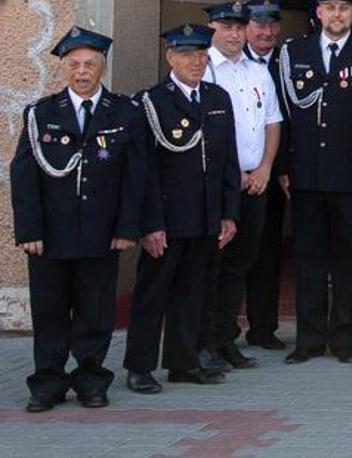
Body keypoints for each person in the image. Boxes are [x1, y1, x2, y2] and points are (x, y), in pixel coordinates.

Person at [11, 27, 146, 412]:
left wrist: (127, 227)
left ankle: (91, 380)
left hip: (101, 232)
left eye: (89, 65)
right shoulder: (41, 114)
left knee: (95, 310)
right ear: (64, 69)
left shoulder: (124, 113)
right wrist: (29, 230)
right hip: (51, 234)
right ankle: (47, 383)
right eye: (74, 65)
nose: (82, 72)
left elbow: (136, 176)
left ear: (102, 67)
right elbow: (24, 175)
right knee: (49, 310)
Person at [123, 25, 241, 394]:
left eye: (202, 54)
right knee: (152, 295)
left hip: (205, 216)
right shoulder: (151, 102)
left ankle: (183, 362)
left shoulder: (217, 98)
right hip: (167, 219)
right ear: (170, 57)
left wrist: (228, 213)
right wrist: (149, 224)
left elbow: (228, 161)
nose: (196, 61)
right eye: (187, 54)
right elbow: (142, 170)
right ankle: (139, 367)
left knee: (194, 294)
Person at [277, 0, 352, 365]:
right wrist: (283, 166)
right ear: (318, 13)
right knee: (308, 260)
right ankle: (308, 340)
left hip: (349, 175)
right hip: (305, 174)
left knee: (347, 261)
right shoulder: (294, 52)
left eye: (344, 8)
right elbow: (282, 115)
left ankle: (344, 340)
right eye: (330, 8)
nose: (336, 14)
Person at [199, 0, 282, 373]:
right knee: (211, 265)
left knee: (240, 265)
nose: (234, 34)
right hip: (219, 185)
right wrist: (234, 176)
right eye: (226, 27)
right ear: (212, 29)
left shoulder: (258, 71)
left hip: (255, 183)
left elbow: (272, 122)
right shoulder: (201, 69)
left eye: (238, 27)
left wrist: (265, 167)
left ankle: (225, 338)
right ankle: (204, 343)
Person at [241, 0, 290, 351]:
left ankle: (262, 327)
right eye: (259, 24)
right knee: (228, 253)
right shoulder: (228, 62)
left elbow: (291, 122)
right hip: (233, 176)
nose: (266, 31)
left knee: (266, 252)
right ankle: (221, 329)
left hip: (272, 174)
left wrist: (279, 169)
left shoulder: (289, 61)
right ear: (245, 27)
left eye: (272, 24)